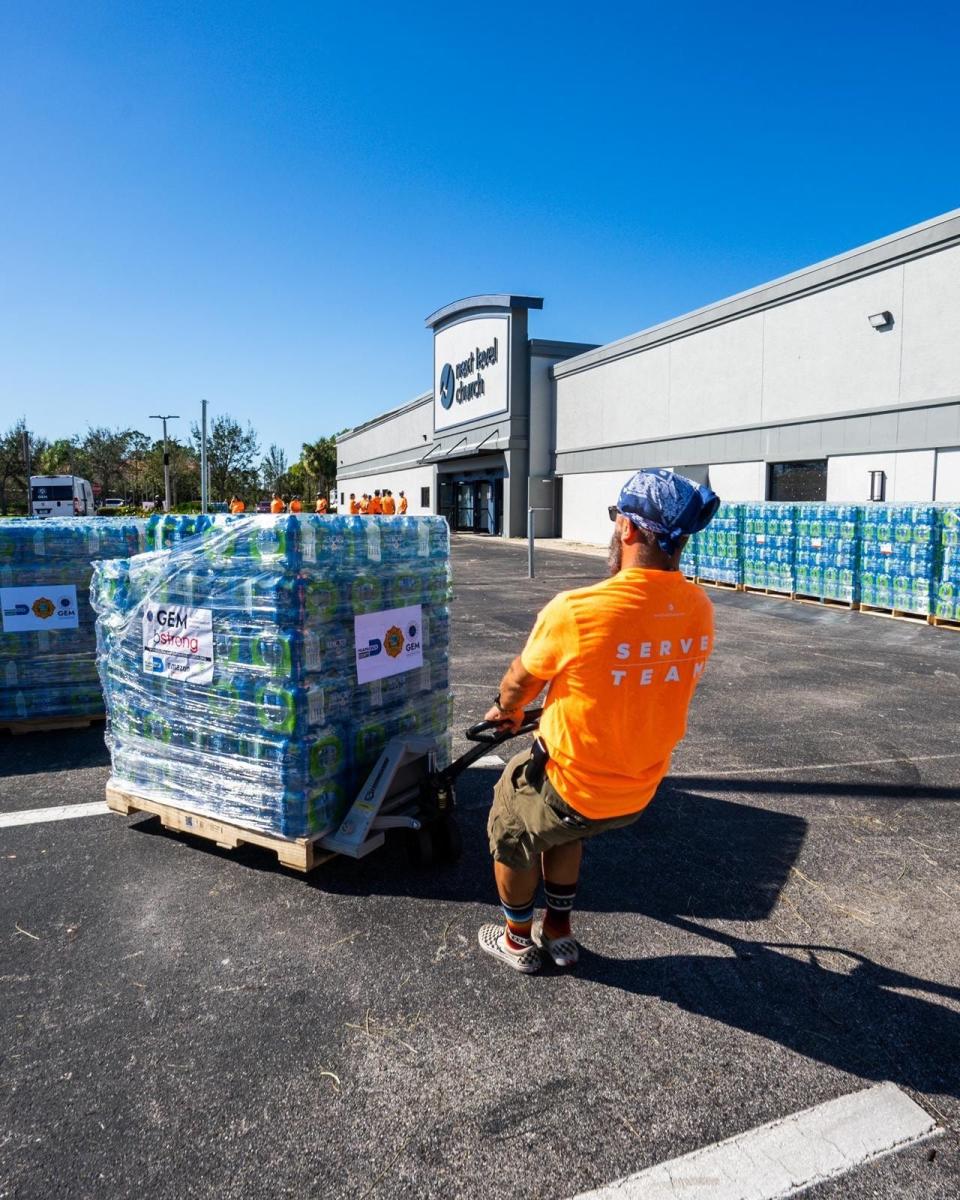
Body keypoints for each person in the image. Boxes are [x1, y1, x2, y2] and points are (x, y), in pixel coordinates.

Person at [478, 469, 720, 974]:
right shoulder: (699, 608)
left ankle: (517, 938)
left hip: (578, 788)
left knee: (511, 814)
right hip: (637, 791)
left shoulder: (577, 610)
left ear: (628, 530)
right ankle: (560, 930)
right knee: (566, 828)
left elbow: (518, 684)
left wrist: (507, 711)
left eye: (616, 518)